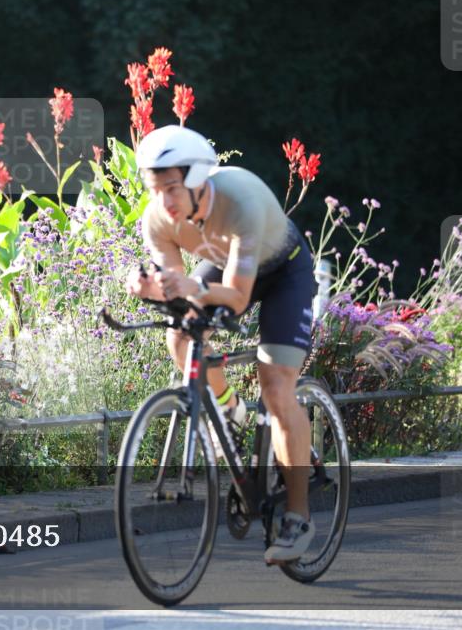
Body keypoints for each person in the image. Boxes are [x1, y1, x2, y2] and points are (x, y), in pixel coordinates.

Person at [124, 124, 317, 563]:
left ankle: (299, 516)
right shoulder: (158, 219)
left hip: (282, 271)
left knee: (276, 385)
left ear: (196, 180)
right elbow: (177, 291)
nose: (164, 201)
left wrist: (189, 284)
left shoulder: (241, 200)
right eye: (156, 189)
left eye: (172, 188)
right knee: (181, 336)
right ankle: (229, 410)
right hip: (223, 267)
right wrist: (150, 287)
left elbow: (236, 297)